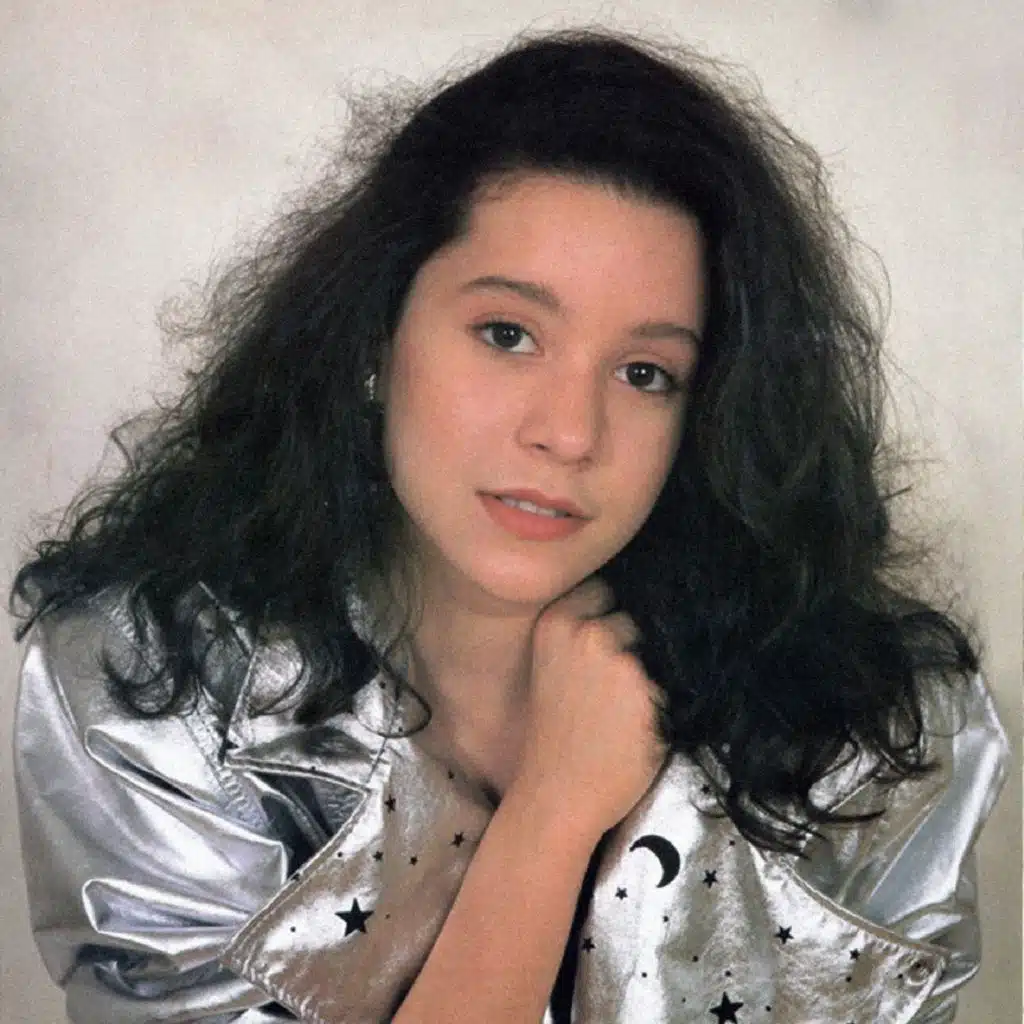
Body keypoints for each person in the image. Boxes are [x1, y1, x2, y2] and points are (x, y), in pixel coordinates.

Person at [10, 26, 1007, 1024]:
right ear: (373, 334)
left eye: (644, 373)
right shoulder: (156, 690)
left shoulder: (873, 738)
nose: (569, 433)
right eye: (507, 334)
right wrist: (552, 816)